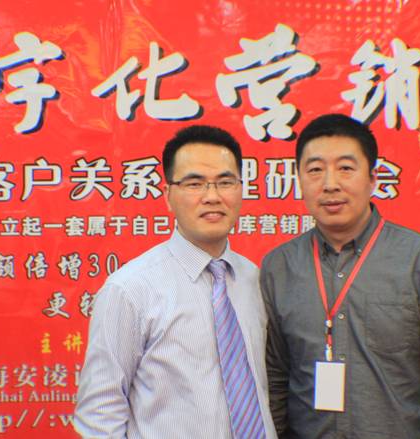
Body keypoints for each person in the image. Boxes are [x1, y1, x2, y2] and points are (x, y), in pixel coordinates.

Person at [260, 114, 420, 438]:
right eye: (315, 170)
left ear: (373, 178)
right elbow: (275, 377)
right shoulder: (278, 267)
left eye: (345, 168)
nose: (330, 184)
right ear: (299, 180)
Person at [74, 125, 276, 438]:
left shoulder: (255, 279)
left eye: (225, 182)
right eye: (195, 184)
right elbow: (99, 414)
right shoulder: (130, 289)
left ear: (241, 189)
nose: (212, 196)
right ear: (168, 195)